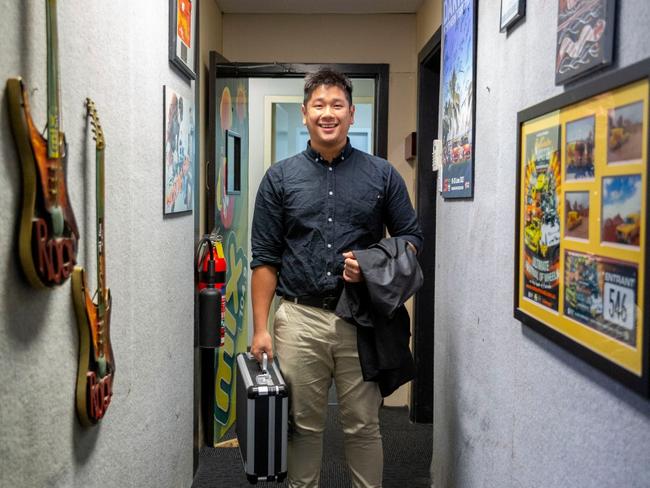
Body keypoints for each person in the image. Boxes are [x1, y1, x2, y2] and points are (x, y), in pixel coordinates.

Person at [250, 68, 423, 488]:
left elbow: (411, 238)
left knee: (363, 426)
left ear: (352, 114)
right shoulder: (279, 178)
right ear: (304, 113)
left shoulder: (382, 175)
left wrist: (369, 263)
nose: (328, 113)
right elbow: (265, 260)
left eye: (337, 105)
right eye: (319, 105)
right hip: (298, 320)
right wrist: (260, 329)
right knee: (302, 426)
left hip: (359, 320)